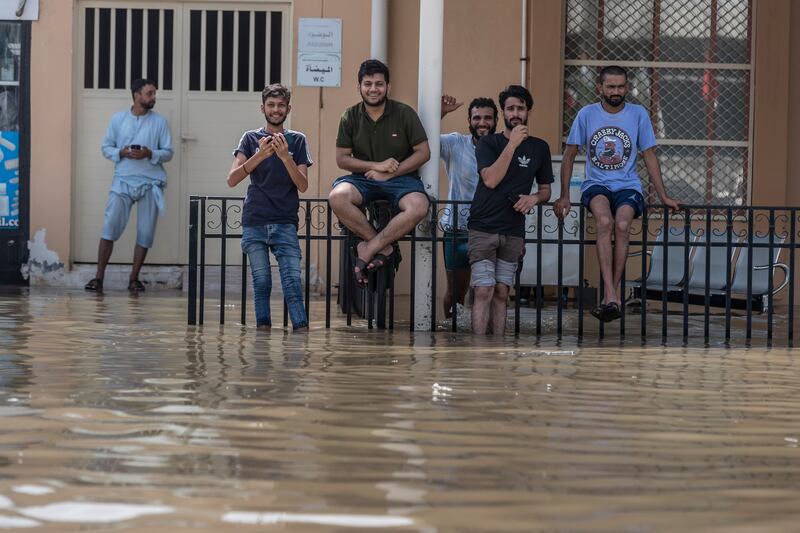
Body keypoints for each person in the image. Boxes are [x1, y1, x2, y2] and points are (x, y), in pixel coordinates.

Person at [554, 65, 680, 322]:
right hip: (596, 185)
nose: (616, 91)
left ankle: (613, 293)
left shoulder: (638, 114)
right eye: (610, 87)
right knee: (604, 221)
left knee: (622, 224)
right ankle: (611, 293)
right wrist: (565, 195)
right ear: (600, 87)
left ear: (626, 87)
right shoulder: (587, 114)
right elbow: (569, 157)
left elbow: (649, 156)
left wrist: (664, 196)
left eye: (621, 86)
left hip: (628, 185)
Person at [328, 59, 431, 286]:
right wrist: (376, 166)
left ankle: (369, 248)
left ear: (388, 87)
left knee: (420, 206)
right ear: (359, 87)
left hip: (402, 179)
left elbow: (423, 153)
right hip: (363, 179)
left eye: (379, 84)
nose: (373, 89)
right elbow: (341, 159)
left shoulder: (404, 113)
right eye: (367, 84)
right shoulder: (350, 116)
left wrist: (391, 173)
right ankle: (384, 246)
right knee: (337, 197)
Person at [226, 83, 312, 332]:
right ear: (262, 108)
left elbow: (303, 185)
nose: (276, 110)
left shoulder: (297, 141)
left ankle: (301, 335)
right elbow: (232, 179)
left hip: (285, 221)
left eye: (281, 105)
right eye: (271, 105)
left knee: (293, 281)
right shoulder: (250, 138)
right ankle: (262, 339)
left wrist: (285, 157)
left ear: (288, 108)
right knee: (262, 281)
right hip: (255, 220)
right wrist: (260, 155)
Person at [469, 85, 553, 335]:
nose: (515, 113)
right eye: (510, 108)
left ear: (528, 111)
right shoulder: (488, 142)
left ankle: (496, 349)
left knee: (502, 291)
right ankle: (478, 350)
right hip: (483, 225)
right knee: (483, 289)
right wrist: (513, 144)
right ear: (502, 113)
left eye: (521, 108)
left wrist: (534, 198)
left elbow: (546, 189)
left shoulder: (540, 147)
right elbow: (491, 180)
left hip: (514, 228)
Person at [85, 78, 173, 293]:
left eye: (154, 93)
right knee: (109, 227)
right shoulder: (118, 120)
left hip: (151, 183)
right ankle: (98, 278)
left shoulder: (160, 122)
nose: (154, 97)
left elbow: (168, 152)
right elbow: (106, 147)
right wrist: (121, 152)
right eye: (149, 93)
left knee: (145, 232)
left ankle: (134, 279)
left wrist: (150, 153)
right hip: (123, 180)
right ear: (136, 95)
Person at [439, 94, 498, 317]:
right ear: (469, 121)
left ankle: (486, 342)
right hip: (457, 230)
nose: (482, 123)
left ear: (496, 121)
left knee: (490, 291)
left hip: (491, 230)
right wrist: (441, 113)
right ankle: (452, 338)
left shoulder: (503, 147)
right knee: (456, 293)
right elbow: (420, 141)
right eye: (477, 118)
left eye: (487, 118)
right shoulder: (456, 143)